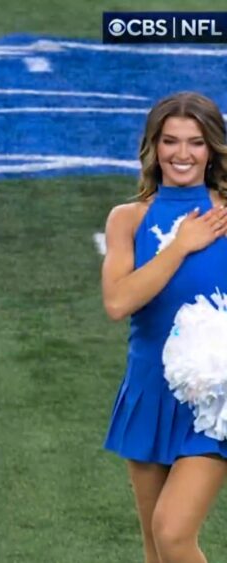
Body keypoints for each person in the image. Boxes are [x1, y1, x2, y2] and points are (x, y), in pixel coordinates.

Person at [102, 91, 227, 563]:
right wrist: (180, 245)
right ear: (153, 146)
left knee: (173, 534)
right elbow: (118, 301)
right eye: (170, 141)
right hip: (150, 391)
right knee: (157, 549)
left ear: (212, 148)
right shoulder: (128, 219)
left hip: (216, 397)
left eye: (195, 142)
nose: (182, 154)